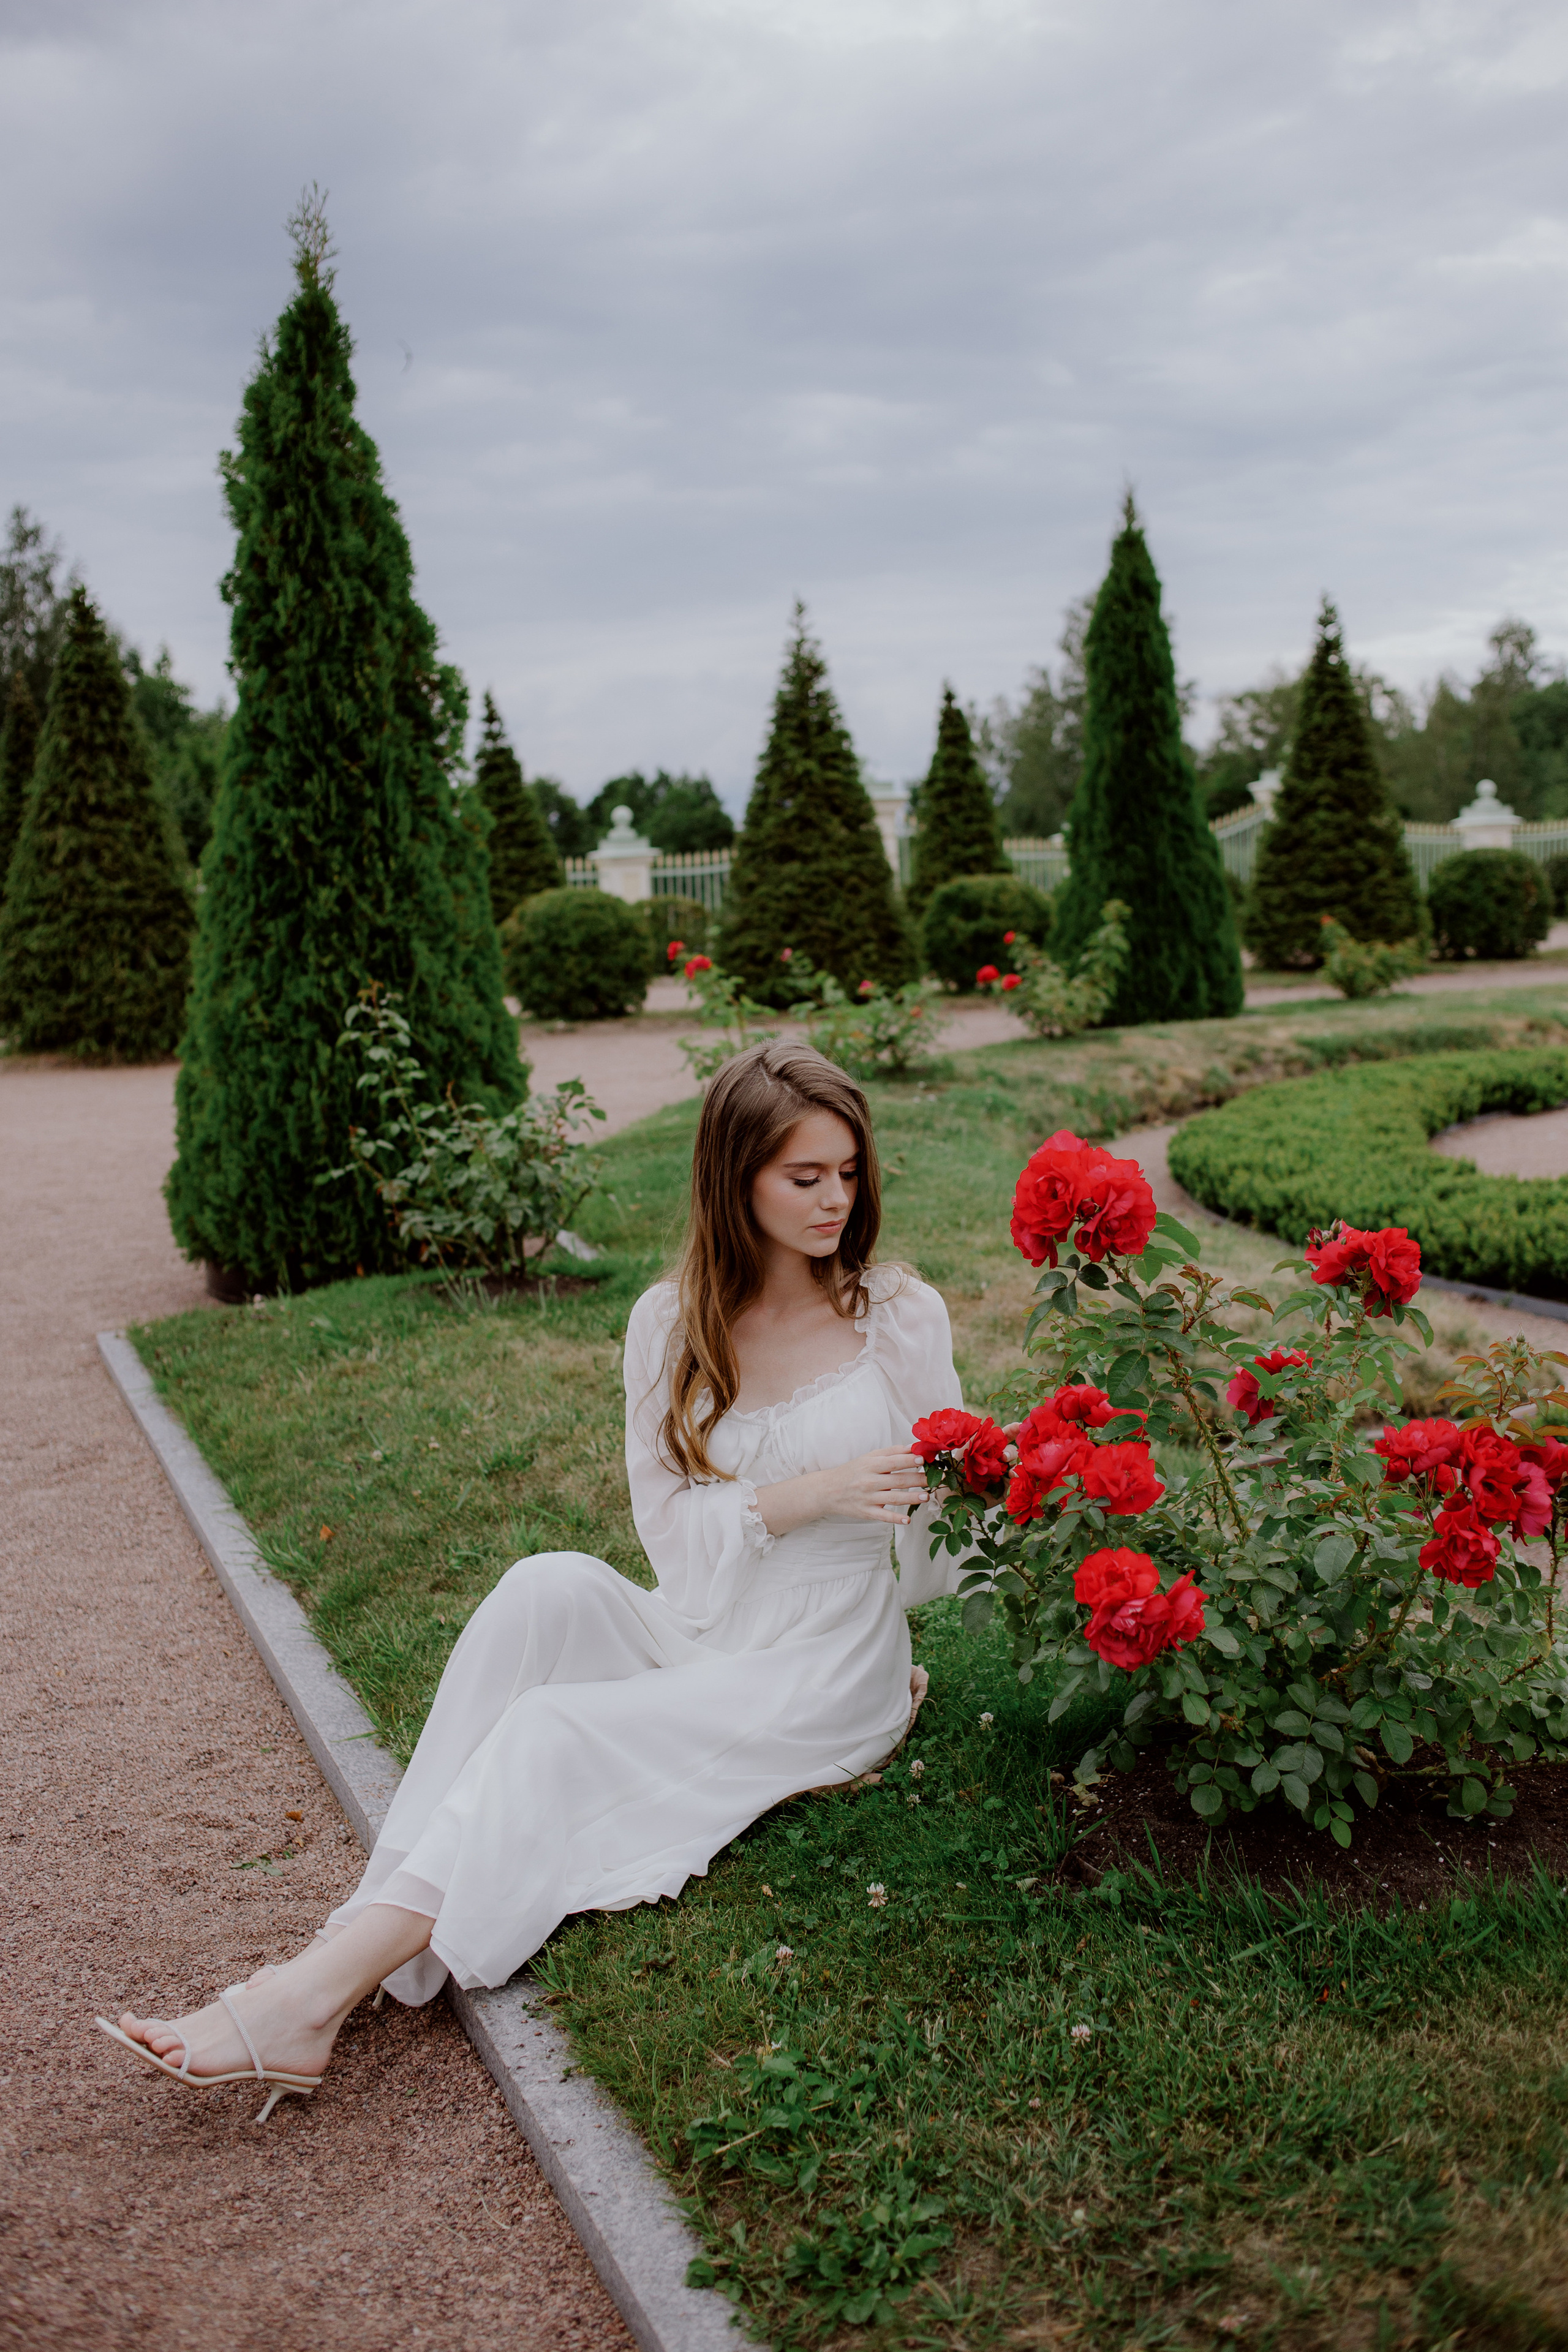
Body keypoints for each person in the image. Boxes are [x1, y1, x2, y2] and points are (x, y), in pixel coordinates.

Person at [99, 1039, 971, 2119]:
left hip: (828, 1657)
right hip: (712, 1615)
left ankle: (305, 2000)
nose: (836, 1198)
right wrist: (811, 1490)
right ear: (733, 1177)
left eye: (849, 1172)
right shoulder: (670, 1324)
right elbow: (669, 1530)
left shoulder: (895, 1313)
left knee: (553, 1731)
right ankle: (363, 1937)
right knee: (544, 1586)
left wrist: (982, 1496)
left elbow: (945, 1516)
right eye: (805, 1177)